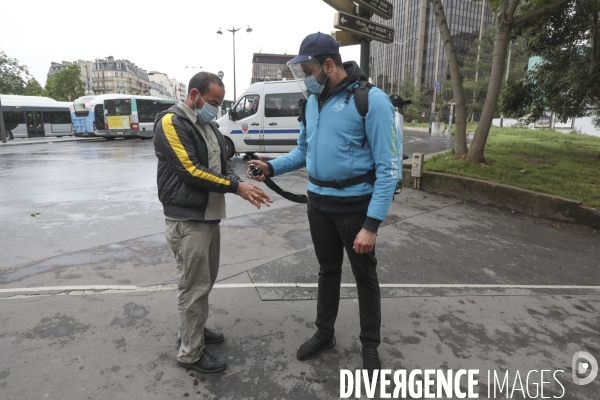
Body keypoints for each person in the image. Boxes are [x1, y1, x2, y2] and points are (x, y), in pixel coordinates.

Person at [247, 32, 401, 376]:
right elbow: (304, 151)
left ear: (328, 65)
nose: (303, 77)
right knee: (327, 270)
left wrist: (372, 224)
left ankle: (370, 345)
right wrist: (271, 166)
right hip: (318, 205)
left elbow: (389, 167)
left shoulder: (371, 101)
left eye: (307, 69)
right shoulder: (312, 103)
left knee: (365, 276)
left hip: (356, 207)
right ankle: (324, 333)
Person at [154, 71, 273, 374]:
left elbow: (222, 166)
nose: (216, 109)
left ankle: (195, 329)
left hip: (208, 216)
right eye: (212, 102)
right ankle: (190, 353)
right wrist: (236, 188)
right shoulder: (171, 123)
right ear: (194, 95)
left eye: (220, 103)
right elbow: (190, 170)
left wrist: (242, 185)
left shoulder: (209, 126)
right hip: (187, 219)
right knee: (192, 287)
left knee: (203, 283)